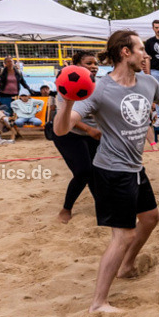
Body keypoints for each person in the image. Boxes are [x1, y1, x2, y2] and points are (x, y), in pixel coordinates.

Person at [55, 30, 159, 312]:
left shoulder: (147, 82)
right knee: (123, 236)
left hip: (134, 167)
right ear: (125, 52)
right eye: (141, 49)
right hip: (111, 170)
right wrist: (69, 101)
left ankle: (127, 266)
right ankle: (98, 303)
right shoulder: (98, 88)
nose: (147, 55)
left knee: (150, 218)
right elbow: (61, 129)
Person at [53, 51, 102, 223]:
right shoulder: (67, 83)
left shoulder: (99, 84)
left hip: (92, 134)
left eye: (95, 63)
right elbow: (65, 117)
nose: (94, 66)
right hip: (68, 134)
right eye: (89, 63)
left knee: (95, 172)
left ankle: (101, 206)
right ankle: (66, 209)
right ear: (77, 66)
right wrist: (89, 129)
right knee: (83, 172)